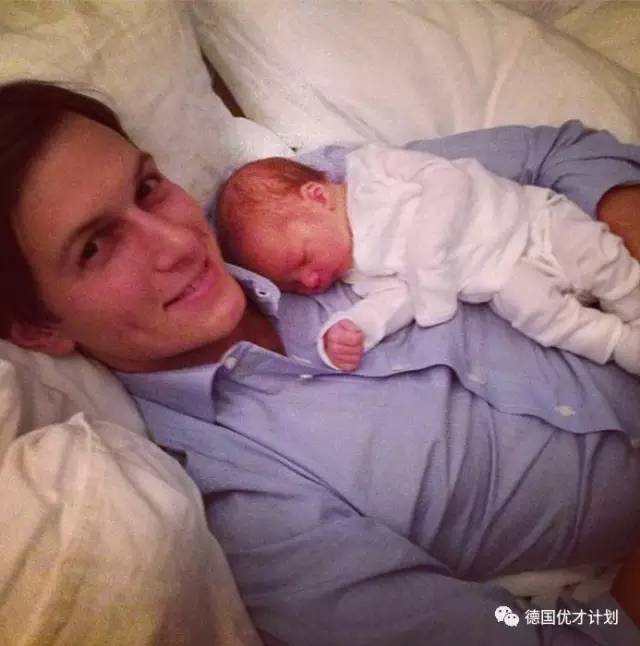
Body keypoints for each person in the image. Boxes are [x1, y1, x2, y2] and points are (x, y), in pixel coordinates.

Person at [1, 79, 640, 646]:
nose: (179, 243)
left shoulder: (277, 202)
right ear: (39, 328)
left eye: (147, 189)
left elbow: (556, 153)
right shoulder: (247, 509)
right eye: (96, 247)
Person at [216, 145, 640, 372]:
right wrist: (356, 327)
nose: (310, 282)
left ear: (316, 196)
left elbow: (448, 177)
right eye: (293, 285)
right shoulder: (358, 271)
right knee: (538, 314)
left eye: (302, 260)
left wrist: (426, 254)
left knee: (599, 257)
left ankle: (635, 305)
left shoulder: (372, 169)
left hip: (532, 221)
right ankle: (619, 344)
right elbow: (398, 300)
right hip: (502, 274)